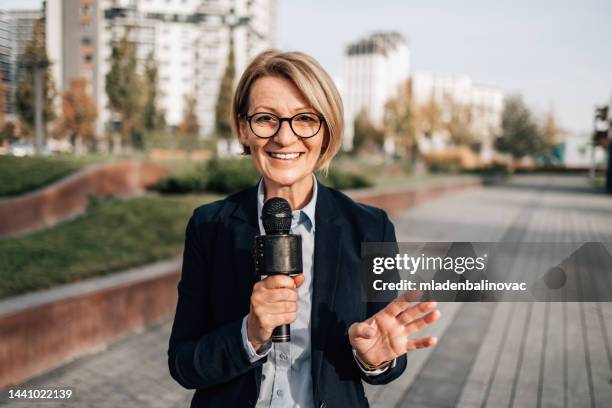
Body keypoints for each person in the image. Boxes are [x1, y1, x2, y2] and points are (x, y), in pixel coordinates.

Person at [168, 50, 440, 408]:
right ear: (242, 128)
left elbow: (388, 350)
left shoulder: (370, 228)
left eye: (305, 119)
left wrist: (377, 359)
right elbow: (184, 364)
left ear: (326, 131)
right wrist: (249, 333)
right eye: (266, 118)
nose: (284, 137)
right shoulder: (209, 226)